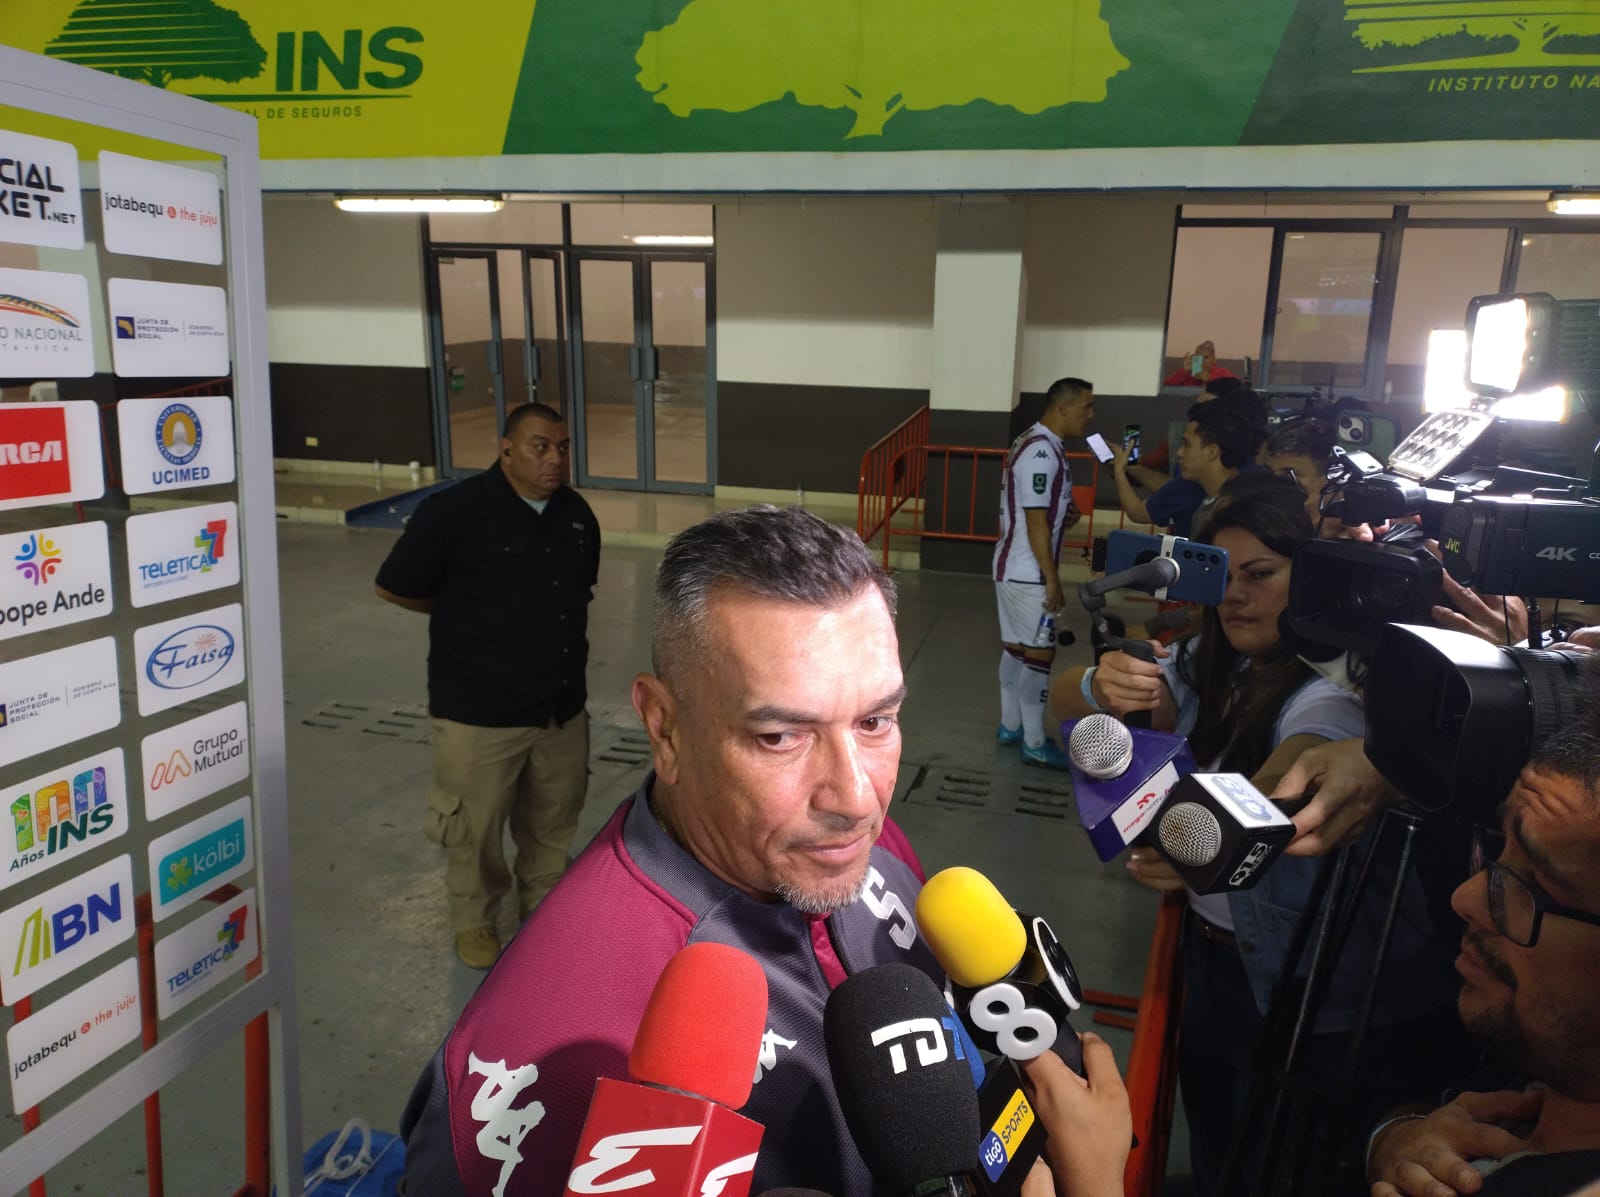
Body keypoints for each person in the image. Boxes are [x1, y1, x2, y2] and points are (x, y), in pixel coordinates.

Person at [399, 506, 947, 1196]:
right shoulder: (553, 1052)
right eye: (779, 736)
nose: (857, 799)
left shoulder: (857, 845)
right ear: (665, 730)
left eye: (875, 720)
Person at [1050, 479, 1464, 1197]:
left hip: (1313, 995)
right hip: (1216, 965)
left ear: (1313, 578)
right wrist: (1100, 684)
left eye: (1262, 574)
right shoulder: (1211, 661)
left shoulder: (1331, 691)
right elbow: (1061, 703)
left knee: (1283, 1162)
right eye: (1223, 576)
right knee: (1218, 1141)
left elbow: (1280, 784)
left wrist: (1191, 842)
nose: (1237, 597)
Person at [375, 401, 599, 969]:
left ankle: (542, 909)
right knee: (473, 828)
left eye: (562, 447)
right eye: (540, 447)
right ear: (505, 450)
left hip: (559, 708)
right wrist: (465, 615)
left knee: (552, 821)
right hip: (479, 710)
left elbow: (579, 596)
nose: (555, 459)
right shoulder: (453, 513)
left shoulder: (576, 516)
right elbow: (396, 586)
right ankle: (473, 918)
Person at [1366, 680, 1600, 1197]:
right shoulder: (1551, 1046)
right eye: (1496, 849)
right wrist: (1396, 1140)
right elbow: (1425, 1110)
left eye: (1535, 885)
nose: (1466, 899)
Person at [993, 376, 1096, 769]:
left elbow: (1036, 510)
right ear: (1063, 407)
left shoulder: (1035, 442)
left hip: (1011, 568)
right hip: (1028, 573)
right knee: (1039, 655)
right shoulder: (1042, 452)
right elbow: (1035, 521)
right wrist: (1052, 579)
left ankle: (1011, 726)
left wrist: (1063, 511)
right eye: (1086, 406)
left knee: (1017, 651)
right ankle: (1035, 742)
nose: (1091, 415)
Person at [1110, 393, 1262, 539]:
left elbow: (1137, 512)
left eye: (1187, 445)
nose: (1179, 452)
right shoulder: (1188, 488)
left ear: (1212, 451)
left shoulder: (1250, 503)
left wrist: (1120, 471)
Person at [1163, 339, 1240, 387]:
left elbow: (1238, 386)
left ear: (1214, 359)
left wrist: (1209, 378)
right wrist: (1186, 373)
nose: (1202, 361)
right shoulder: (1186, 372)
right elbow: (1165, 387)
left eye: (1206, 357)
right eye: (1198, 357)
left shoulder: (1222, 372)